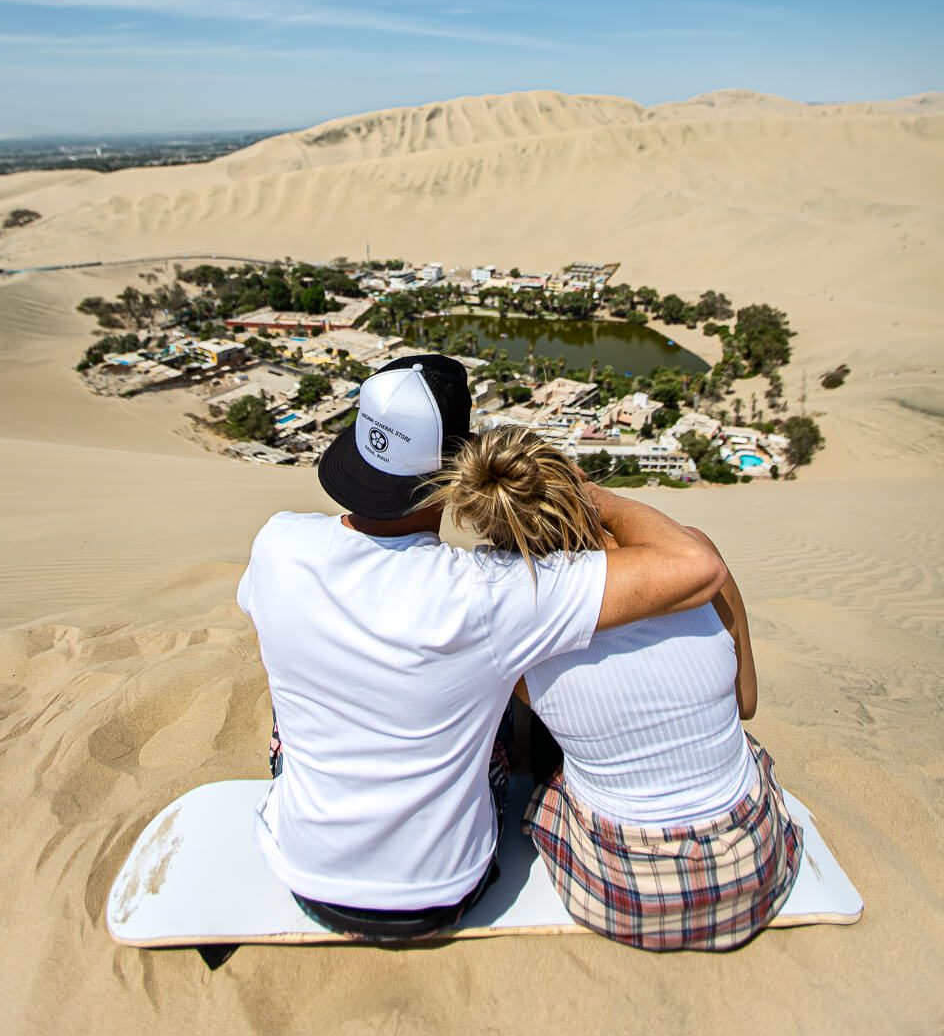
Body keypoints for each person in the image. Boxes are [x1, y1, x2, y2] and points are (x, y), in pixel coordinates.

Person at [237, 354, 726, 941]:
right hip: (445, 893)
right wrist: (591, 497)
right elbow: (696, 567)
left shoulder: (278, 544)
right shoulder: (493, 593)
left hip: (304, 877)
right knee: (506, 675)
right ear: (454, 470)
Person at [433, 424, 803, 951]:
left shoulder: (516, 630)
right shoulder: (698, 557)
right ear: (578, 487)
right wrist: (596, 497)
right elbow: (746, 705)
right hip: (752, 867)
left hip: (628, 896)